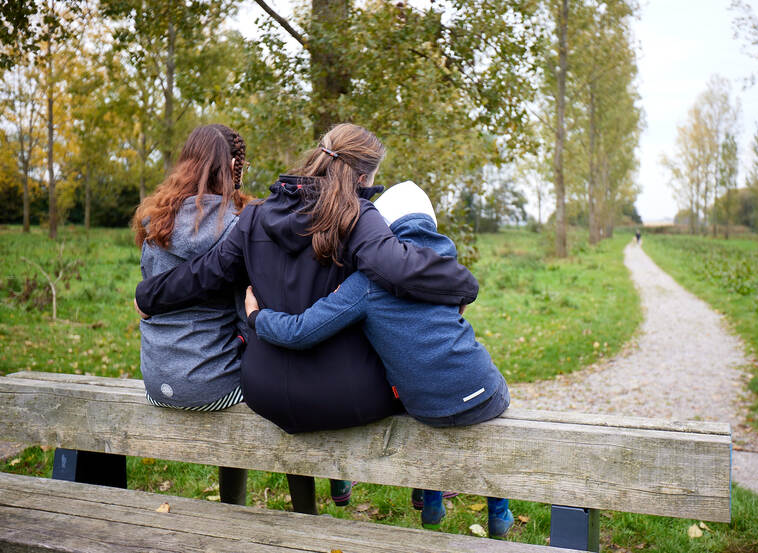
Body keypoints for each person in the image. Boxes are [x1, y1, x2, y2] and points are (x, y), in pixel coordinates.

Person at [134, 124, 478, 511]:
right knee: (402, 372)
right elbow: (397, 265)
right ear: (362, 177)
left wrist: (149, 295)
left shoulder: (254, 217)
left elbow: (206, 273)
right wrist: (465, 285)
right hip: (342, 395)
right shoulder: (358, 215)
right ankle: (427, 491)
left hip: (262, 390)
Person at [244, 181, 514, 538]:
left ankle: (431, 500)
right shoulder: (446, 269)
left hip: (424, 407)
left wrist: (256, 317)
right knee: (476, 385)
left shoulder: (366, 283)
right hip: (483, 394)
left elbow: (300, 331)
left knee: (415, 385)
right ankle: (500, 511)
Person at [133, 123, 252, 411]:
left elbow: (151, 290)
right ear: (234, 166)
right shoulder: (237, 228)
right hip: (212, 386)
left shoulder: (157, 222)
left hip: (156, 383)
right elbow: (245, 314)